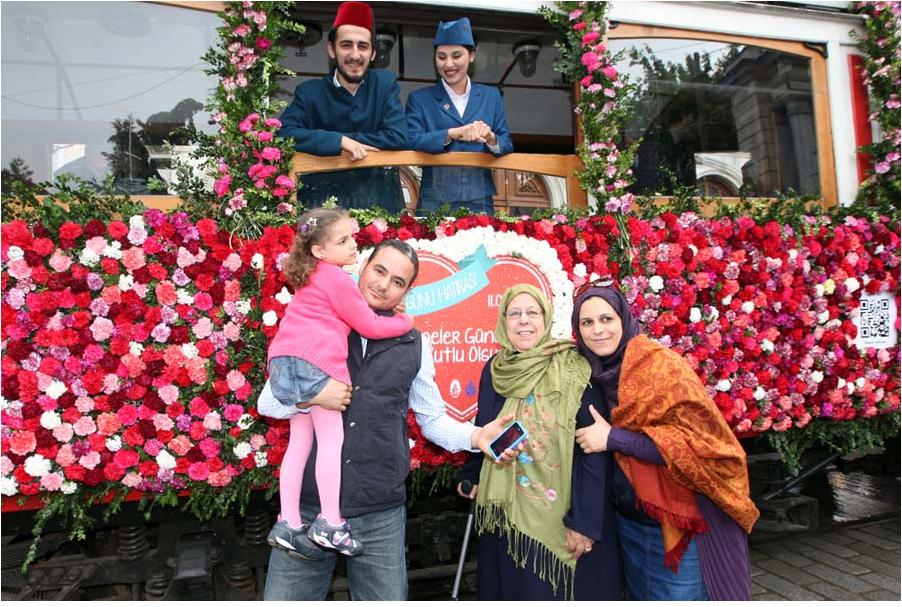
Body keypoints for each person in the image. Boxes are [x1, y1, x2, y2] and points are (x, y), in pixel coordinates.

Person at [259, 239, 520, 600]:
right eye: (379, 271)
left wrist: (477, 437)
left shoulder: (415, 343)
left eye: (398, 281)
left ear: (406, 292)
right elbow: (267, 403)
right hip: (307, 510)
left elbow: (432, 420)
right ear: (362, 267)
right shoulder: (319, 322)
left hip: (379, 511)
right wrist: (314, 396)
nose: (384, 284)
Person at [571, 281, 760, 600]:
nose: (597, 330)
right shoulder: (588, 372)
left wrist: (613, 438)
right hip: (629, 525)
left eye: (607, 319)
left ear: (624, 320)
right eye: (586, 322)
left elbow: (699, 446)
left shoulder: (661, 366)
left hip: (679, 522)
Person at [456, 284, 622, 600]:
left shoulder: (574, 367)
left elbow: (594, 452)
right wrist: (471, 474)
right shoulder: (495, 369)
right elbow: (486, 427)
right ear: (503, 321)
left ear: (546, 319)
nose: (524, 321)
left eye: (533, 313)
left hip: (565, 513)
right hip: (507, 516)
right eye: (515, 313)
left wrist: (585, 522)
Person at [264, 208, 413, 559]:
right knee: (332, 440)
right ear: (319, 250)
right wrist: (406, 321)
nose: (353, 246)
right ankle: (331, 522)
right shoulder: (337, 279)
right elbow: (372, 326)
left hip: (284, 360)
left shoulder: (311, 276)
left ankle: (288, 521)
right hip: (315, 367)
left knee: (299, 443)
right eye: (344, 241)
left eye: (353, 238)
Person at [277, 1, 407, 211]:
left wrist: (349, 141)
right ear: (332, 49)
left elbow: (399, 136)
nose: (355, 55)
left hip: (380, 203)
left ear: (373, 53)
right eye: (346, 45)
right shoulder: (309, 92)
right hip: (321, 208)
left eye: (362, 46)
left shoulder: (385, 85)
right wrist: (337, 141)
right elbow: (283, 133)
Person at [406, 17, 513, 215]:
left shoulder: (491, 96)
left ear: (471, 55)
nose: (449, 64)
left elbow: (506, 143)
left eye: (456, 56)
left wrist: (491, 138)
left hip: (479, 197)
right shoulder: (420, 99)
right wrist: (453, 133)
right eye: (441, 57)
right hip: (434, 198)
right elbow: (411, 139)